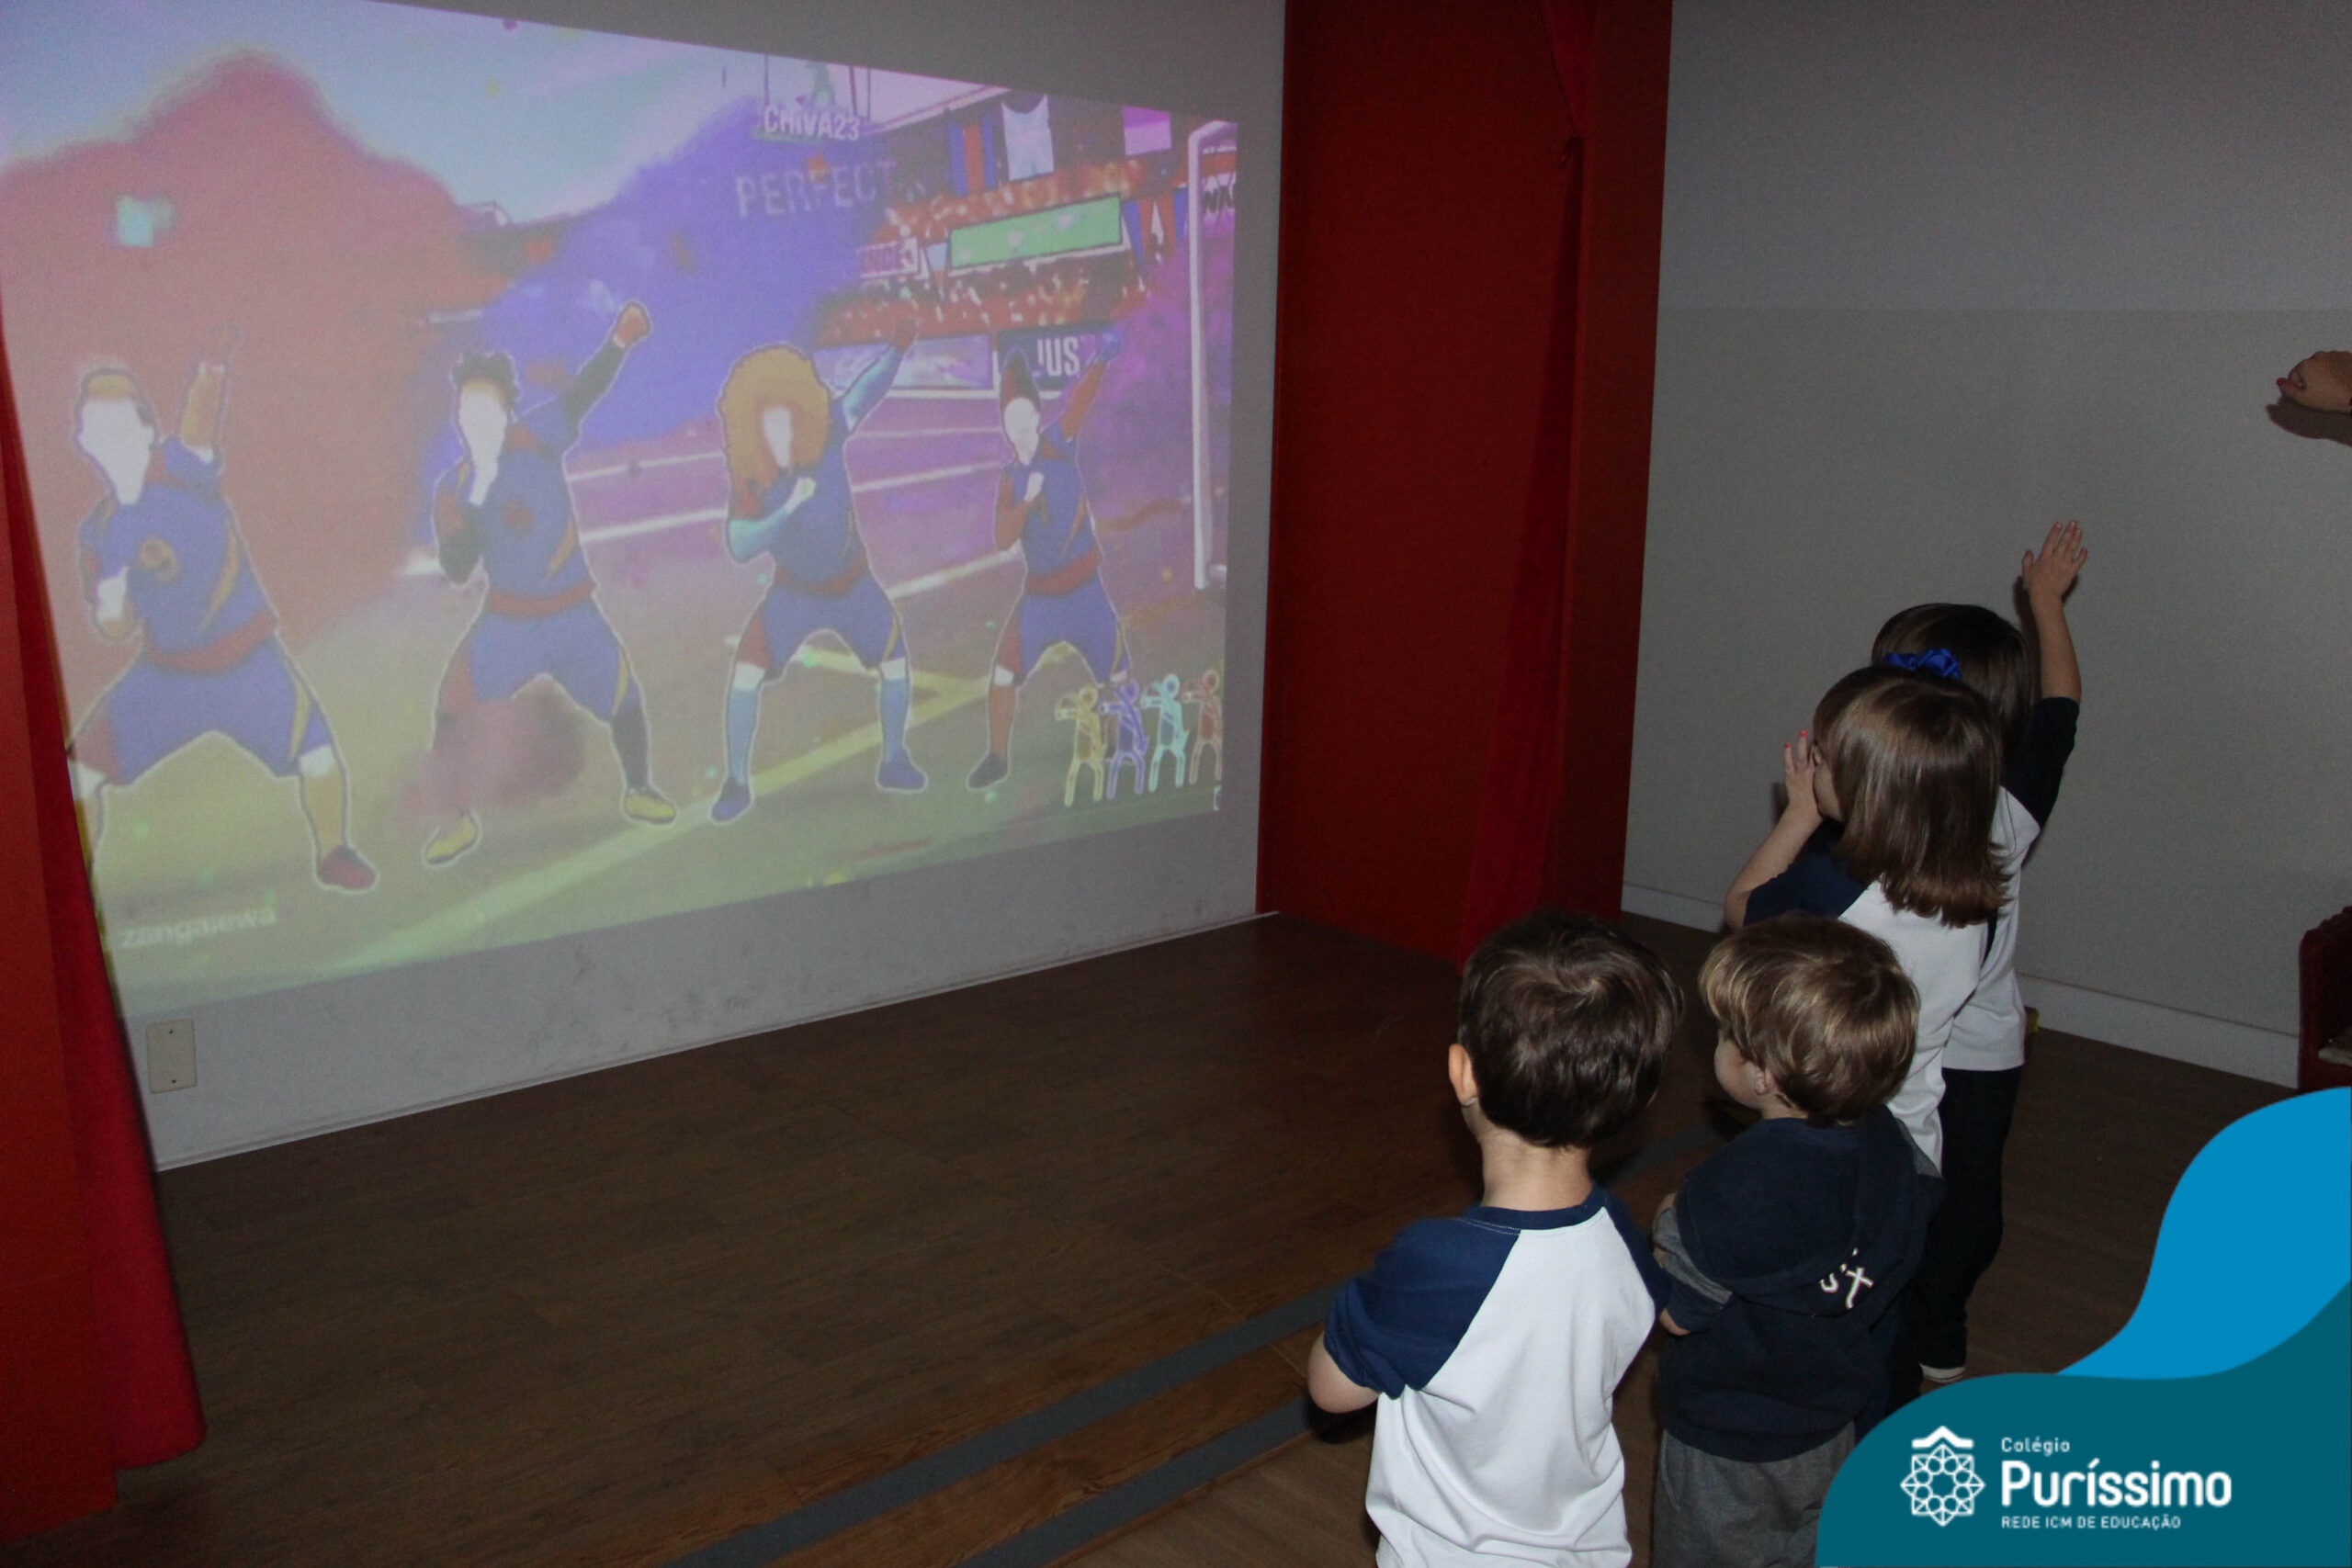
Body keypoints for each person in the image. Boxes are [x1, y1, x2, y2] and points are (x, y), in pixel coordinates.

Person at [1306, 910, 1679, 1567]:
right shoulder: (1623, 1237)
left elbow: (1331, 1390)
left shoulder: (1438, 1266)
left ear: (1463, 1073)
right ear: (1639, 1098)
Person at [1868, 521, 2086, 1396]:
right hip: (1883, 1049)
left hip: (1978, 1055)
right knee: (1885, 1194)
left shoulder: (2006, 813)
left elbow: (2059, 713)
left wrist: (2046, 608)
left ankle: (1938, 1318)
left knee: (1966, 1210)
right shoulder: (1868, 810)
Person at [1651, 916, 1939, 1568]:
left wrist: (1670, 1224)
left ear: (1763, 1075)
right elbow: (1908, 1225)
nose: (1718, 1040)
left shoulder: (1737, 1186)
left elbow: (1678, 1312)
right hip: (1831, 1417)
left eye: (1726, 1032)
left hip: (1728, 1441)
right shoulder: (1890, 1143)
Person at [66, 348, 377, 892]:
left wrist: (212, 365)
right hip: (167, 673)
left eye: (120, 425)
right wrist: (112, 603)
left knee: (316, 752)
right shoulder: (99, 532)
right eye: (97, 429)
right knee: (80, 772)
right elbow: (114, 629)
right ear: (84, 442)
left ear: (147, 429)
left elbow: (200, 415)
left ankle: (334, 851)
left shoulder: (179, 469)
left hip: (246, 660)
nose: (110, 439)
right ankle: (73, 881)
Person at [1723, 665, 2006, 1173]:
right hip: (1909, 1143)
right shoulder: (1974, 902)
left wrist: (1799, 816)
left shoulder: (1832, 889)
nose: (1814, 763)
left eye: (1827, 759)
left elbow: (1740, 908)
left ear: (1868, 790)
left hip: (1823, 1138)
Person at [422, 302, 673, 865]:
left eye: (485, 406)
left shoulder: (537, 436)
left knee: (623, 695)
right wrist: (480, 491)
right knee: (452, 704)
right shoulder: (456, 486)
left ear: (507, 409)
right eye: (465, 409)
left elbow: (582, 394)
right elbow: (458, 566)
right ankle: (456, 822)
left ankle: (640, 789)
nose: (474, 418)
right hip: (509, 620)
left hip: (572, 612)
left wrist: (619, 341)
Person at [710, 321, 926, 821]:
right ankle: (736, 782)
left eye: (785, 421)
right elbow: (739, 544)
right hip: (794, 593)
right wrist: (786, 510)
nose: (779, 435)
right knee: (745, 674)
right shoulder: (753, 478)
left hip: (853, 584)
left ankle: (894, 760)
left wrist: (895, 349)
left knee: (895, 663)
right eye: (768, 425)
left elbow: (864, 395)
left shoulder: (827, 431)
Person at [966, 334, 1131, 791]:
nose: (1019, 425)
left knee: (1116, 671)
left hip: (1086, 591)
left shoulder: (1058, 443)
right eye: (1010, 418)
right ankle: (997, 757)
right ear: (1004, 426)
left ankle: (1117, 742)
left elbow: (1080, 403)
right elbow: (1002, 538)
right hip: (1041, 599)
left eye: (1025, 415)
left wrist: (1100, 361)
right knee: (1004, 672)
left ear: (1038, 417)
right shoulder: (1010, 478)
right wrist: (1027, 501)